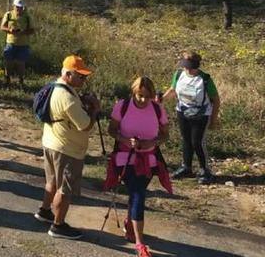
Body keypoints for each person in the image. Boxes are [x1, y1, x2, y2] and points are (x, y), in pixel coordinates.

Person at [35, 55, 99, 240]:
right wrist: (94, 109)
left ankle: (45, 211)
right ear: (68, 74)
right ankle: (58, 225)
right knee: (64, 189)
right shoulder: (68, 98)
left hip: (51, 143)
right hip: (67, 150)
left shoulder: (57, 87)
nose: (84, 79)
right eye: (81, 76)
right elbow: (85, 125)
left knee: (52, 181)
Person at [107, 77, 170, 257]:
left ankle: (130, 225)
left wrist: (154, 141)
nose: (143, 100)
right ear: (133, 92)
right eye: (140, 96)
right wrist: (125, 140)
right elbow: (111, 130)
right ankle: (140, 244)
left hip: (149, 160)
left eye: (147, 97)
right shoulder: (123, 106)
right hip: (125, 158)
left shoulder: (157, 109)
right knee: (138, 195)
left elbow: (166, 134)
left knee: (137, 193)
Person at [158, 51, 220, 184]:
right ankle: (186, 167)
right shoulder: (179, 74)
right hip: (182, 111)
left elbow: (216, 99)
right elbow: (173, 90)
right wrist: (162, 99)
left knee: (197, 142)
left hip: (201, 115)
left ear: (197, 66)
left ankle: (205, 170)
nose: (187, 69)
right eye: (185, 66)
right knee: (186, 140)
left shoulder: (205, 79)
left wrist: (213, 120)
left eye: (190, 67)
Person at [1, 0, 34, 88]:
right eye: (17, 7)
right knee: (8, 62)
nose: (19, 9)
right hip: (10, 42)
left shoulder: (27, 16)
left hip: (23, 44)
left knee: (21, 63)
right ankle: (7, 79)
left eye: (20, 7)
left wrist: (23, 32)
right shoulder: (8, 15)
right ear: (13, 6)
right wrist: (10, 30)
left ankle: (21, 81)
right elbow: (2, 27)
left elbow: (32, 30)